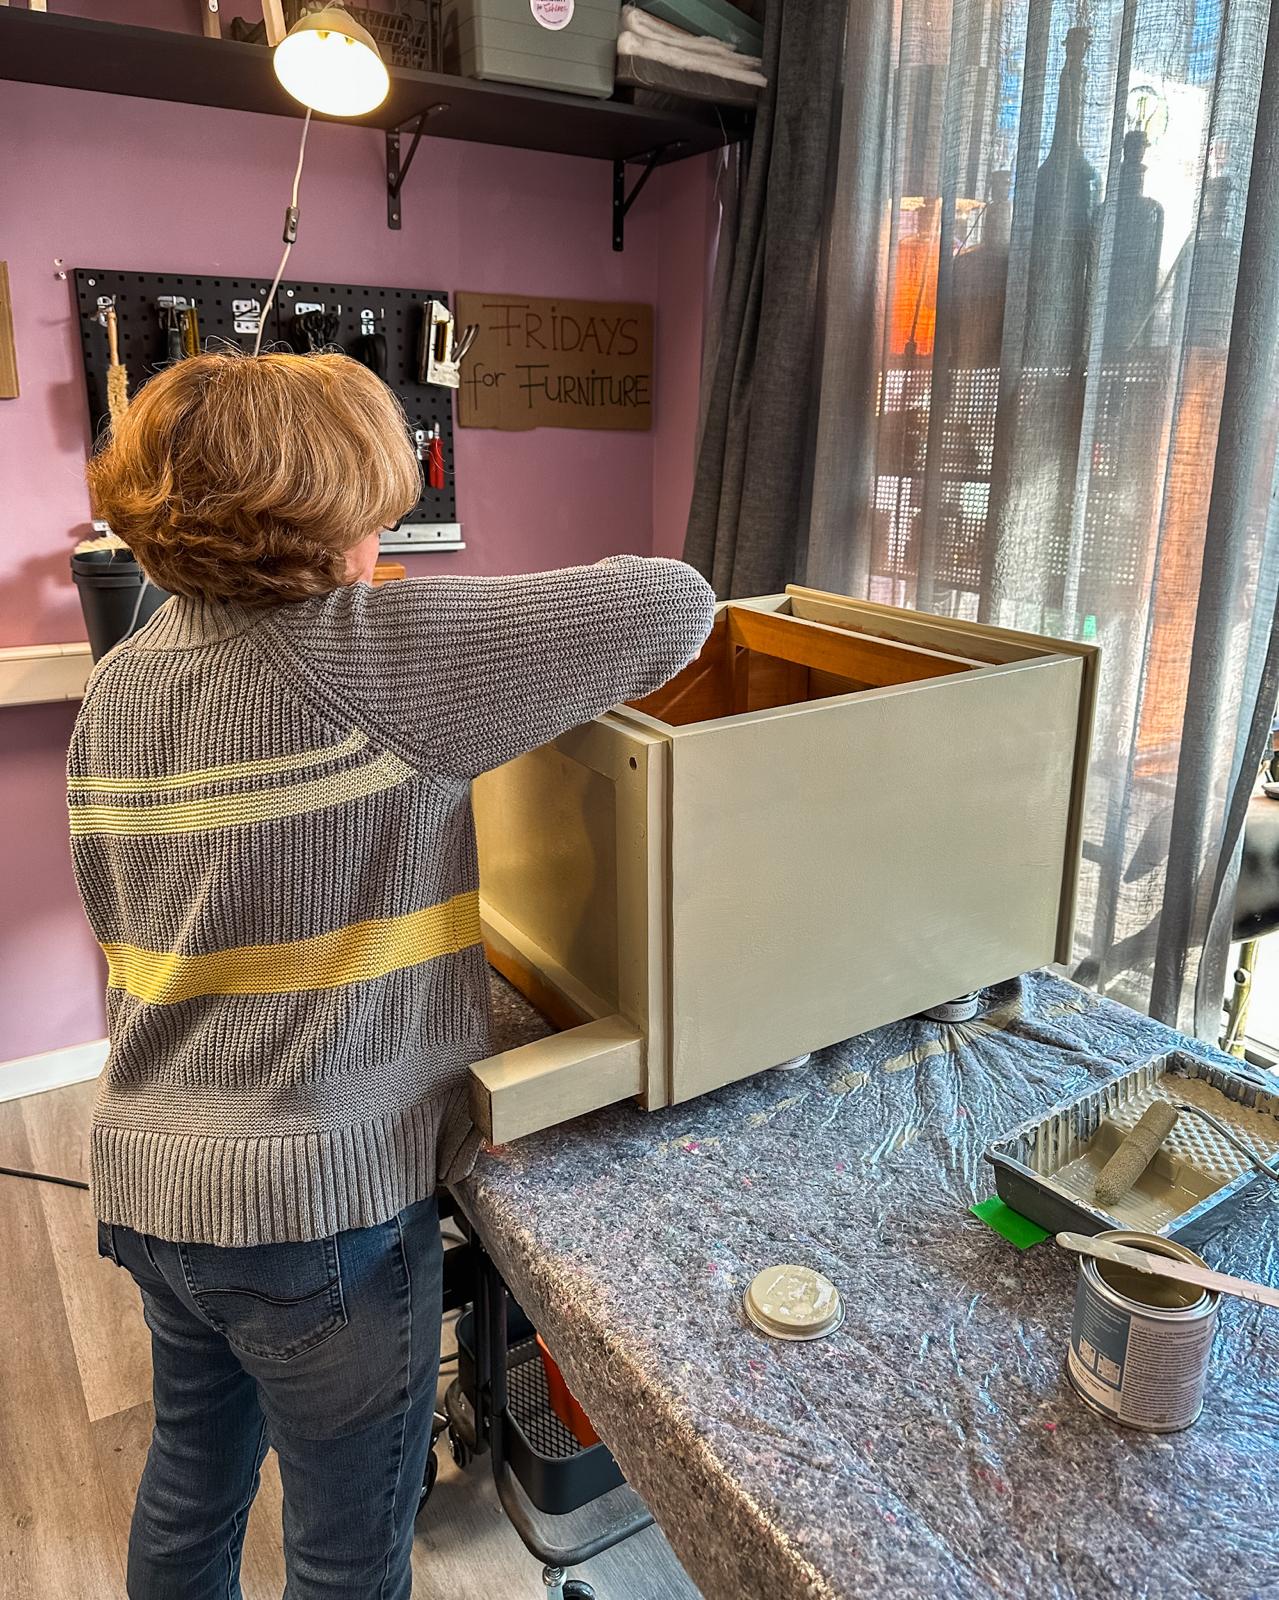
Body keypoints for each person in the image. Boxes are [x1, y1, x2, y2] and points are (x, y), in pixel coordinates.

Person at [71, 350, 716, 1600]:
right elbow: (674, 602)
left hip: (152, 1183)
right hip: (320, 1211)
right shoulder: (376, 651)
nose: (387, 528)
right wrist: (393, 604)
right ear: (319, 516)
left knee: (191, 1482)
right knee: (347, 1552)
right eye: (374, 504)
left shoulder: (119, 684)